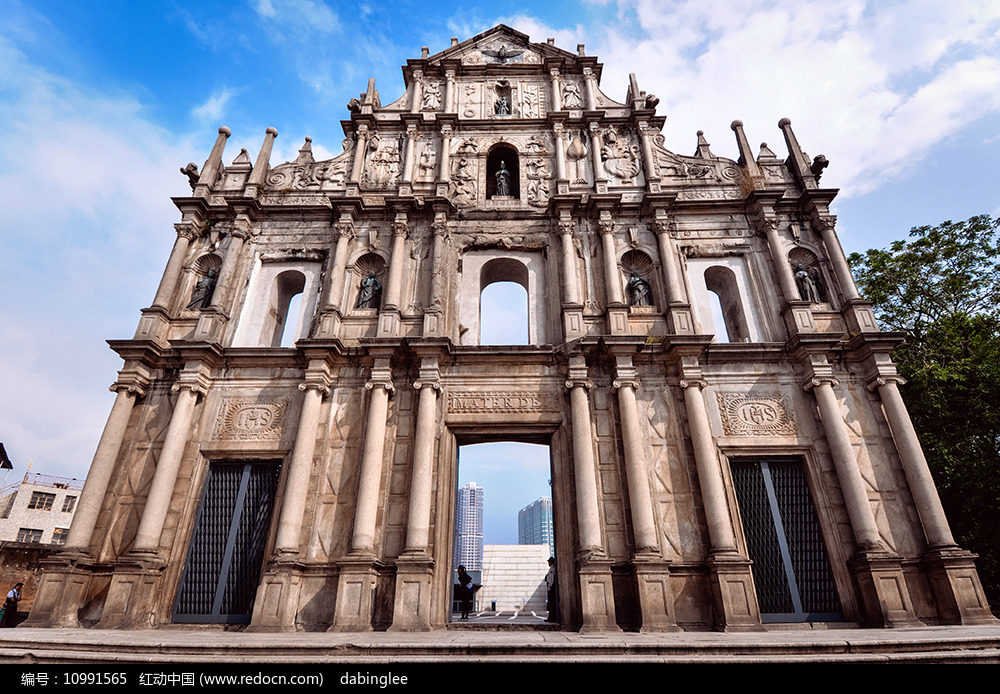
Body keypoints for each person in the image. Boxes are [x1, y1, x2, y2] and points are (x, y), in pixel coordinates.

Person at [544, 557, 558, 622]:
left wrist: (550, 587)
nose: (548, 563)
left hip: (551, 589)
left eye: (548, 562)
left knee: (552, 604)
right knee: (551, 604)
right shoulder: (552, 568)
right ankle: (552, 618)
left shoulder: (552, 569)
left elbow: (551, 579)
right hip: (551, 588)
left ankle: (552, 618)